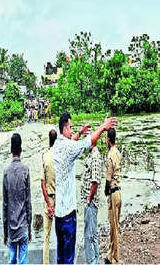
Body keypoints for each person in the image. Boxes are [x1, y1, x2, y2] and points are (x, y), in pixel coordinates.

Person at [53, 113, 117, 264]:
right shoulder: (70, 148)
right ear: (66, 128)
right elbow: (86, 143)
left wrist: (80, 133)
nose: (72, 130)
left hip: (58, 214)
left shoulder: (57, 144)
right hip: (68, 213)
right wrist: (103, 127)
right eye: (71, 127)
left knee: (60, 254)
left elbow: (74, 144)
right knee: (68, 257)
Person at [3, 133, 32, 264]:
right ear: (20, 149)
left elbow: (5, 204)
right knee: (23, 260)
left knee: (12, 259)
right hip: (23, 225)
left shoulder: (6, 172)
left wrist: (5, 232)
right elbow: (28, 202)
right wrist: (30, 228)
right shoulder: (25, 170)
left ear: (11, 150)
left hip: (11, 226)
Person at [81, 142, 102, 264]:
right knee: (89, 233)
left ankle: (93, 262)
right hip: (89, 201)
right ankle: (92, 261)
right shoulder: (91, 155)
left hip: (91, 203)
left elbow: (95, 182)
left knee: (90, 235)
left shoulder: (95, 157)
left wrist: (89, 200)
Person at [105, 129, 122, 264]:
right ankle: (111, 254)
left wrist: (106, 191)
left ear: (108, 139)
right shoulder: (117, 152)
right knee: (113, 226)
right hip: (119, 192)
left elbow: (108, 178)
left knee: (114, 227)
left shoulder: (110, 154)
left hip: (113, 192)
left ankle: (115, 258)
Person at [41, 129, 57, 264]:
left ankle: (45, 263)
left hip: (49, 198)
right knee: (61, 234)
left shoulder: (45, 156)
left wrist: (49, 204)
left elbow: (42, 184)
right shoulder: (60, 156)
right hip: (60, 199)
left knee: (46, 236)